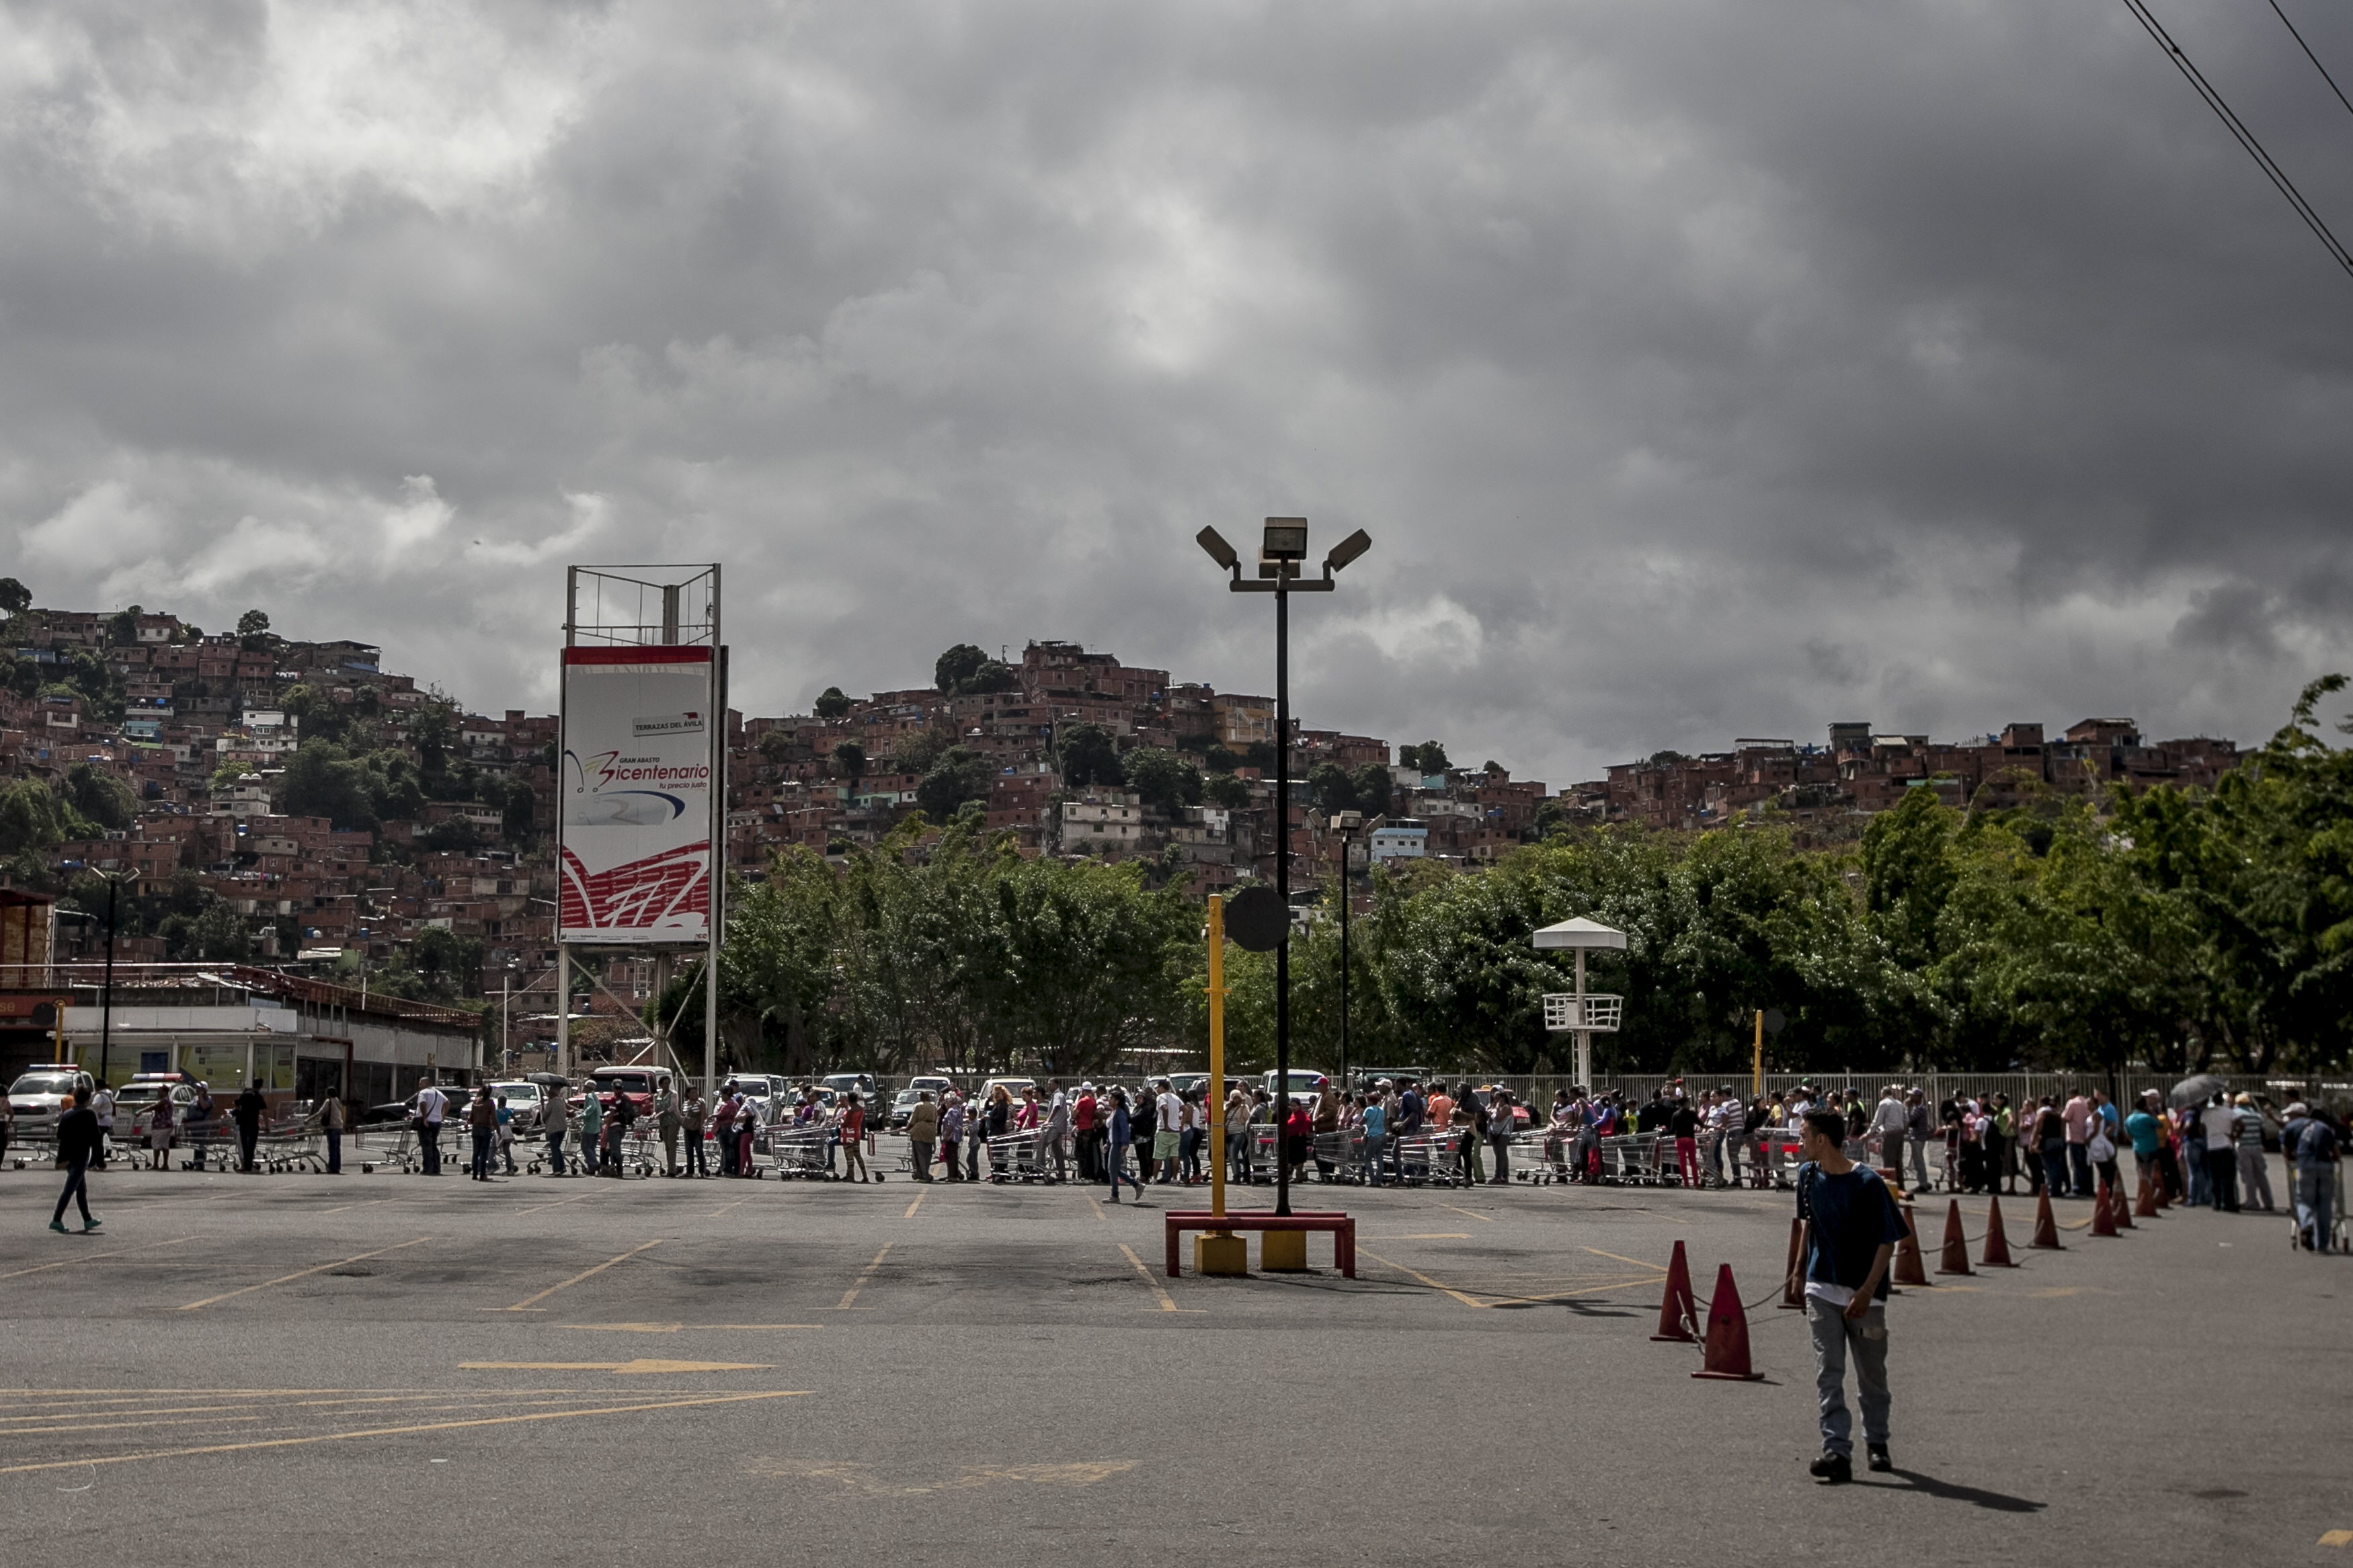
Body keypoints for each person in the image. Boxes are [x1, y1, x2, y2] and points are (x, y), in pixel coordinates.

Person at [1790, 1106, 1907, 1484]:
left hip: (1865, 1296)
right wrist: (1797, 1271)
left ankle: (1877, 1442)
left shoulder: (1868, 1184)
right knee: (1829, 1371)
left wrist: (1867, 1290)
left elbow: (1888, 1242)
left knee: (1871, 1375)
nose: (1800, 1142)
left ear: (1822, 1140)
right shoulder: (1807, 1176)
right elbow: (1809, 1226)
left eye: (1804, 1135)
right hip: (1822, 1287)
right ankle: (1836, 1451)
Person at [2282, 1104, 2339, 1251]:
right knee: (2325, 1205)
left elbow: (2286, 1151)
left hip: (2305, 1166)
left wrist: (2291, 1162)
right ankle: (2322, 1244)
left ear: (2297, 1115)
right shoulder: (2324, 1127)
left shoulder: (2292, 1127)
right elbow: (2336, 1152)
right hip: (2326, 1166)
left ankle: (2306, 1224)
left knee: (2303, 1199)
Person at [49, 1088, 101, 1234]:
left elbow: (60, 1135)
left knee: (81, 1189)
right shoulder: (89, 1114)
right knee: (70, 1189)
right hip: (81, 1154)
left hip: (67, 1155)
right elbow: (95, 1137)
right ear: (88, 1099)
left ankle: (87, 1219)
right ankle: (57, 1219)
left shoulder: (67, 1114)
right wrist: (96, 1158)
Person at [2231, 1094, 2274, 1212]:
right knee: (2261, 1175)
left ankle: (2252, 1201)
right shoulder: (2256, 1116)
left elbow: (2235, 1130)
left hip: (2244, 1147)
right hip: (2257, 1147)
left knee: (2248, 1176)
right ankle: (2268, 1202)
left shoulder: (2236, 1114)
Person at [1105, 1087, 1147, 1202]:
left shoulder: (1120, 1113)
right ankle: (1137, 1185)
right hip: (1113, 1143)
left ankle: (1115, 1195)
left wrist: (1125, 1143)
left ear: (1117, 1101)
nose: (1109, 1100)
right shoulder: (1114, 1112)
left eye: (1112, 1098)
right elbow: (1112, 1130)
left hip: (1118, 1144)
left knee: (1112, 1170)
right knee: (1115, 1170)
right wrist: (1108, 1143)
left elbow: (1124, 1129)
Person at [2200, 1094, 2239, 1212]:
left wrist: (2209, 1133)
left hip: (2213, 1146)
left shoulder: (2206, 1113)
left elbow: (2201, 1129)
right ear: (2222, 1100)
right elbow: (2240, 1124)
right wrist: (2234, 1135)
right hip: (2226, 1145)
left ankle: (2216, 1203)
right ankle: (2228, 1203)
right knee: (2228, 1177)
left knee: (2214, 1176)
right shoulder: (2229, 1112)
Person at [412, 1076, 448, 1175]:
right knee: (433, 1145)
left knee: (426, 1145)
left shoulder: (423, 1093)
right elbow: (448, 1103)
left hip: (427, 1122)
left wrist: (424, 1118)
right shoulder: (439, 1093)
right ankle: (436, 1168)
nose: (419, 1086)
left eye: (421, 1083)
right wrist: (443, 1115)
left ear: (426, 1083)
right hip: (437, 1122)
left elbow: (423, 1103)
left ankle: (428, 1168)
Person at [233, 1080, 267, 1173]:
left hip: (244, 1123)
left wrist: (241, 1110)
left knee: (245, 1145)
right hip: (253, 1124)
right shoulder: (259, 1097)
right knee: (251, 1145)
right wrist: (267, 1126)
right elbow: (264, 1112)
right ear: (261, 1087)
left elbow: (236, 1103)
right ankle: (248, 1166)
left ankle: (247, 1166)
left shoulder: (245, 1095)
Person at [1669, 1093, 1702, 1189]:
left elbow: (1672, 1129)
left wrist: (1664, 1131)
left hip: (1680, 1139)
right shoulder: (1692, 1114)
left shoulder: (1676, 1114)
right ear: (1687, 1103)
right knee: (1693, 1162)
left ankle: (1686, 1183)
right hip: (1690, 1139)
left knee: (1682, 1162)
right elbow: (1701, 1124)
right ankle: (1696, 1182)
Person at [906, 1091, 939, 1182]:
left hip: (919, 1130)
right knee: (928, 1155)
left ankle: (923, 1175)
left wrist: (907, 1128)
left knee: (920, 1154)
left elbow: (913, 1120)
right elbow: (936, 1118)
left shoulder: (918, 1106)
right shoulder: (933, 1106)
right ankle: (925, 1173)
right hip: (930, 1130)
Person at [467, 1087, 497, 1181]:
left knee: (475, 1153)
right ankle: (483, 1175)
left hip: (476, 1128)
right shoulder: (490, 1103)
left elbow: (471, 1117)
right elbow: (494, 1118)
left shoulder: (475, 1102)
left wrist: (473, 1122)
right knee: (484, 1153)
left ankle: (475, 1174)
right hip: (485, 1128)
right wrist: (498, 1129)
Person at [1044, 1082, 1072, 1182]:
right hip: (1057, 1126)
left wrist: (1048, 1120)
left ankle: (1041, 1169)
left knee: (1042, 1145)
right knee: (1058, 1151)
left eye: (1050, 1084)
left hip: (1055, 1126)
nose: (1048, 1086)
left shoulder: (1058, 1095)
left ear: (1056, 1085)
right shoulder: (1056, 1095)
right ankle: (1061, 1173)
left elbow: (1056, 1107)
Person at [839, 1091, 869, 1183]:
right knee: (858, 1155)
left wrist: (840, 1121)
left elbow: (846, 1124)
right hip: (856, 1133)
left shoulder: (851, 1111)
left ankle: (851, 1176)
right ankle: (865, 1176)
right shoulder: (861, 1109)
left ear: (849, 1100)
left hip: (848, 1135)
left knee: (849, 1157)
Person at [1487, 1089, 1515, 1185]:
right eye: (1494, 1099)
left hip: (1503, 1134)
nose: (1496, 1101)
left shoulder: (1506, 1108)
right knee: (1499, 1155)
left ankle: (1499, 1176)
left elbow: (1499, 1119)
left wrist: (1498, 1108)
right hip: (1495, 1133)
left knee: (1501, 1155)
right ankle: (1504, 1175)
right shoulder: (1495, 1106)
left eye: (1498, 1098)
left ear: (1503, 1098)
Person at [148, 1081, 177, 1171]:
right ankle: (165, 1164)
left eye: (159, 1091)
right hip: (166, 1126)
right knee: (165, 1145)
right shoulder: (167, 1100)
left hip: (161, 1126)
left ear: (164, 1092)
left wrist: (140, 1111)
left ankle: (156, 1164)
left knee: (156, 1145)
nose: (158, 1093)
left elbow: (153, 1107)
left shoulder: (165, 1100)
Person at [657, 1081, 683, 1177]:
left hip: (673, 1121)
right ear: (660, 1085)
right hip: (663, 1123)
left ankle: (672, 1170)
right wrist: (654, 1115)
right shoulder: (658, 1095)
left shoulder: (673, 1094)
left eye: (668, 1083)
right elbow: (656, 1108)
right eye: (664, 1083)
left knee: (672, 1144)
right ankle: (670, 1167)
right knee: (667, 1145)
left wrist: (662, 1113)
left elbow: (673, 1106)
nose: (666, 1085)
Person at [314, 1088, 343, 1175]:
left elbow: (321, 1112)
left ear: (328, 1094)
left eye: (326, 1093)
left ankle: (332, 1168)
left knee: (332, 1148)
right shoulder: (337, 1101)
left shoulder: (328, 1101)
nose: (325, 1094)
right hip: (339, 1126)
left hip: (332, 1127)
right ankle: (337, 1167)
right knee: (337, 1148)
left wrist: (309, 1119)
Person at [681, 1086, 708, 1178]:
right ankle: (690, 1171)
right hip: (688, 1129)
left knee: (699, 1150)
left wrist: (702, 1126)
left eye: (696, 1092)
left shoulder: (700, 1102)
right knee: (689, 1151)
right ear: (688, 1094)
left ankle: (702, 1171)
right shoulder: (685, 1104)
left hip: (697, 1129)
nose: (694, 1095)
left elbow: (703, 1114)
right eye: (692, 1093)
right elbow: (683, 1115)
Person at [939, 1091, 965, 1182]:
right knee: (950, 1156)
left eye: (946, 1102)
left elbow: (951, 1125)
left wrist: (946, 1136)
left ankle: (953, 1176)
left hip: (952, 1137)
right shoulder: (957, 1109)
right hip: (954, 1136)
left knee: (951, 1156)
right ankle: (955, 1174)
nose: (946, 1104)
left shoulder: (952, 1110)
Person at [91, 1081, 115, 1169]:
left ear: (97, 1086)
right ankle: (99, 1163)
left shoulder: (99, 1095)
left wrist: (99, 1112)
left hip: (101, 1121)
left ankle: (95, 1163)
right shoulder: (108, 1094)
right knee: (98, 1142)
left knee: (96, 1143)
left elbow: (95, 1105)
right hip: (108, 1120)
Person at [495, 1093, 519, 1175]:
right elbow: (515, 1118)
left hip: (500, 1130)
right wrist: (520, 1126)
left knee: (495, 1148)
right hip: (508, 1130)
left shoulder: (497, 1111)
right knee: (507, 1150)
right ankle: (510, 1168)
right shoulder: (508, 1111)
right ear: (505, 1103)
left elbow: (493, 1121)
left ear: (498, 1102)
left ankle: (494, 1165)